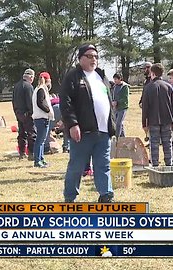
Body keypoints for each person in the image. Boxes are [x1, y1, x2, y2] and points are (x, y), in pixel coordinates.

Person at [60, 44, 116, 203]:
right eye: (90, 56)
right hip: (83, 132)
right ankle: (70, 197)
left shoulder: (101, 76)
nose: (94, 59)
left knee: (103, 165)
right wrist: (72, 124)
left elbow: (108, 100)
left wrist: (112, 125)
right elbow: (66, 103)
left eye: (96, 56)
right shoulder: (73, 77)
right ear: (80, 59)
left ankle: (106, 195)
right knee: (76, 167)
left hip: (103, 131)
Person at [142, 63, 173, 166]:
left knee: (154, 145)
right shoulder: (169, 86)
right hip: (167, 120)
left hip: (153, 120)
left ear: (152, 73)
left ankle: (155, 166)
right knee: (167, 145)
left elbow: (145, 107)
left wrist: (144, 123)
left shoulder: (148, 87)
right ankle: (169, 166)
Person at [12, 68, 36, 160]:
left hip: (18, 113)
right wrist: (32, 113)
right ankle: (31, 153)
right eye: (33, 77)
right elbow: (30, 102)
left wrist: (16, 112)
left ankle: (21, 153)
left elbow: (13, 101)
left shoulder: (16, 86)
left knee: (21, 134)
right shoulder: (28, 86)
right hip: (27, 114)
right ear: (30, 77)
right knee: (32, 133)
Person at [32, 72, 54, 168]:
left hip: (41, 117)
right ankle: (37, 160)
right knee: (40, 140)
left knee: (42, 140)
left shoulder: (38, 89)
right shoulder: (41, 89)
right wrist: (48, 110)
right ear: (47, 80)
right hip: (41, 117)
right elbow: (40, 102)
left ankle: (41, 158)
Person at [112, 73, 129, 138]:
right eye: (114, 79)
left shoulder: (125, 87)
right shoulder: (115, 86)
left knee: (118, 123)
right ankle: (123, 138)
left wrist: (117, 102)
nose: (115, 81)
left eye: (116, 79)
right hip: (115, 108)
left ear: (120, 79)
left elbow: (125, 98)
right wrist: (113, 101)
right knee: (118, 123)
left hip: (122, 108)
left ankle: (117, 138)